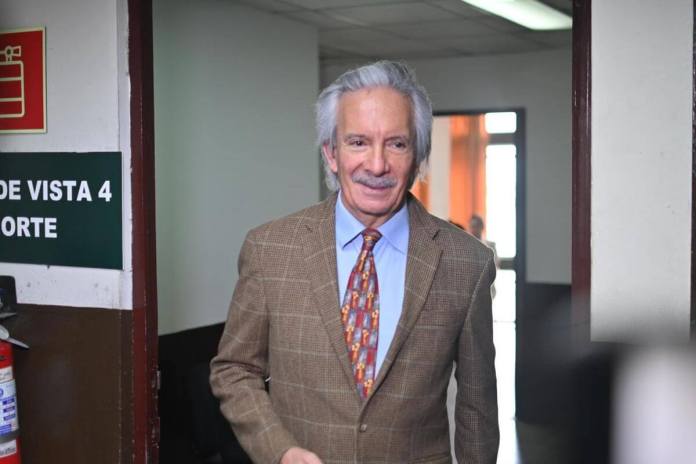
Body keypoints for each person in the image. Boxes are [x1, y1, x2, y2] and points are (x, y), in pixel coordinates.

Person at [210, 61, 499, 464]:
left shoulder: (467, 264)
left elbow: (477, 407)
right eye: (358, 142)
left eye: (396, 143)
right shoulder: (271, 249)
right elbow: (235, 369)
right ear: (331, 153)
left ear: (418, 155)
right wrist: (279, 450)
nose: (377, 165)